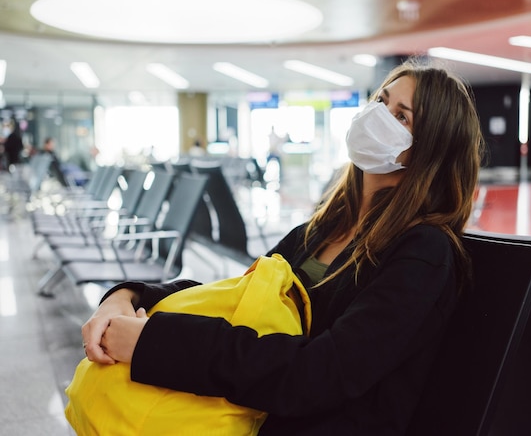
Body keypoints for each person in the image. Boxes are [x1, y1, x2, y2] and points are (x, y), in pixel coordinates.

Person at [81, 59, 485, 435]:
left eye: (401, 116)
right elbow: (235, 297)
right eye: (381, 100)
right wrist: (131, 296)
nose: (379, 116)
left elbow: (319, 375)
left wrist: (154, 343)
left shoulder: (424, 254)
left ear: (431, 149)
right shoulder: (320, 230)